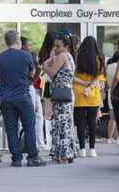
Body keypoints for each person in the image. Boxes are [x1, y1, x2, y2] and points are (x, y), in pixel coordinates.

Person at [0, 30, 46, 167]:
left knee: (11, 128)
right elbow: (32, 72)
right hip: (23, 96)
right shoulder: (26, 56)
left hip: (6, 97)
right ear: (17, 41)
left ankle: (16, 158)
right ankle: (32, 157)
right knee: (29, 126)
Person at [43, 33, 77, 163]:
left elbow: (51, 73)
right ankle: (68, 152)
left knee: (60, 124)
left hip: (60, 94)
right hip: (67, 93)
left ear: (66, 46)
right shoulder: (70, 57)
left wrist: (46, 65)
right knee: (66, 123)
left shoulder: (62, 56)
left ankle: (62, 154)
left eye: (58, 46)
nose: (56, 48)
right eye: (54, 46)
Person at [73, 36, 106, 158]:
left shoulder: (77, 58)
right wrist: (90, 87)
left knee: (80, 123)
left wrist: (84, 85)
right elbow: (100, 78)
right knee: (92, 123)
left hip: (79, 94)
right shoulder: (99, 59)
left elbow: (72, 77)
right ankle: (92, 149)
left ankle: (82, 149)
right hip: (93, 95)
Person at [21, 37, 45, 150]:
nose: (30, 47)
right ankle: (34, 143)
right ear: (24, 46)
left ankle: (26, 143)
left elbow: (38, 69)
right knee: (34, 116)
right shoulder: (28, 56)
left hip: (27, 88)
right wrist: (32, 80)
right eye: (28, 45)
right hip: (29, 89)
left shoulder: (22, 56)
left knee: (28, 117)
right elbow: (38, 69)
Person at [38, 31, 57, 150]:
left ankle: (47, 141)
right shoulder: (55, 53)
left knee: (47, 114)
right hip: (54, 84)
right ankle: (53, 141)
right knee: (55, 113)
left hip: (45, 85)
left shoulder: (42, 53)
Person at [106, 40, 119, 144]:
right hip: (115, 89)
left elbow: (115, 78)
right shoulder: (116, 65)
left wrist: (111, 90)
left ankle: (110, 138)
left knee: (113, 116)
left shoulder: (109, 65)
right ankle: (116, 137)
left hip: (113, 90)